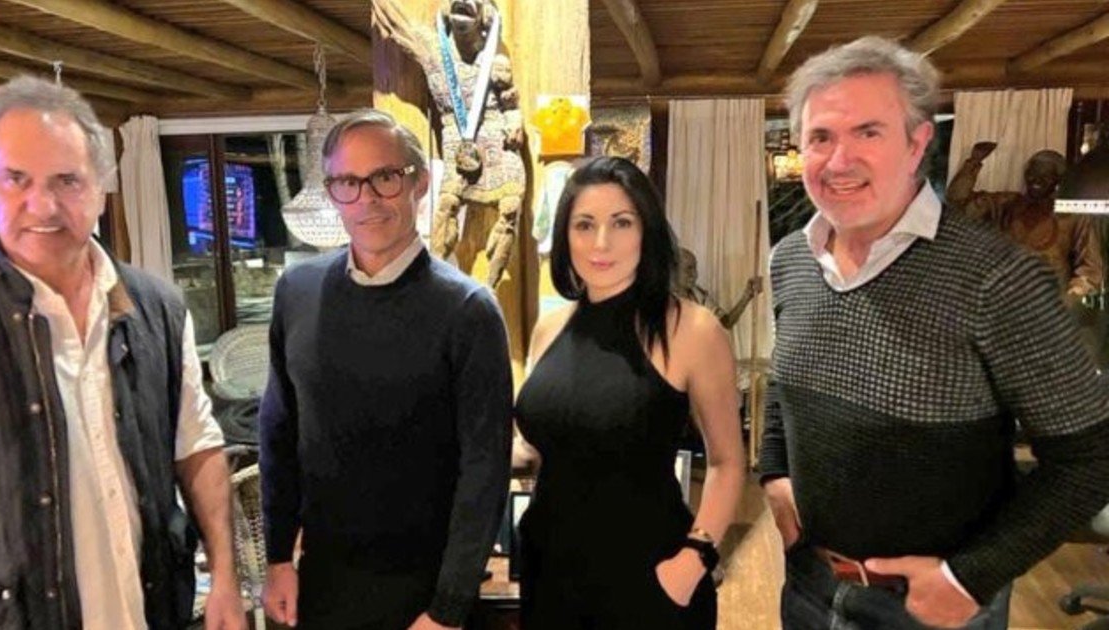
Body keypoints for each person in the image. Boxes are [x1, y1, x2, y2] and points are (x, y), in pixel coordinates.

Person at [760, 36, 1109, 630]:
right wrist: (774, 473)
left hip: (931, 609)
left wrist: (971, 577)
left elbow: (1091, 457)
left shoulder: (999, 277)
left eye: (868, 132)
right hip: (810, 586)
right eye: (820, 137)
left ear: (918, 142)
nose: (839, 160)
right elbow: (785, 377)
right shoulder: (791, 257)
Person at [0, 75, 245, 629]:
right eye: (16, 179)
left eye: (67, 180)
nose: (42, 205)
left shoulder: (155, 307)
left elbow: (197, 448)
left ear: (102, 184)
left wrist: (226, 579)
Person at [259, 109, 513, 629]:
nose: (367, 198)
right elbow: (278, 432)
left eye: (385, 177)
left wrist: (448, 607)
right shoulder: (297, 292)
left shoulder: (467, 310)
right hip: (322, 583)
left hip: (425, 594)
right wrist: (279, 557)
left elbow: (485, 468)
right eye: (348, 182)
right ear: (332, 193)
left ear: (419, 183)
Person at [514, 156, 746, 628]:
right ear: (565, 236)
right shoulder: (550, 327)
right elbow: (541, 446)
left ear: (647, 231)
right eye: (584, 224)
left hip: (650, 580)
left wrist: (694, 560)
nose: (601, 242)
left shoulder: (692, 329)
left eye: (621, 222)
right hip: (550, 573)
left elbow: (727, 463)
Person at [946, 143, 1103, 304]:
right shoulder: (1006, 203)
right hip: (1003, 299)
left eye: (1046, 175)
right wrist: (973, 162)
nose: (1036, 180)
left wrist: (1073, 294)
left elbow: (1091, 268)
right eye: (1032, 173)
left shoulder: (1071, 214)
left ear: (1058, 180)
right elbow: (958, 200)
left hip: (1048, 304)